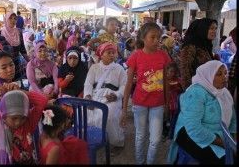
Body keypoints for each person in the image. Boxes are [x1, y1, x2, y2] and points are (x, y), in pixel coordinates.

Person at [120, 22, 171, 164]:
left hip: (158, 104)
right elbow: (129, 84)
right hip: (140, 103)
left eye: (158, 37)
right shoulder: (136, 56)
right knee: (140, 136)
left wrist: (167, 103)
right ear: (143, 38)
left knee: (155, 140)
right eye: (152, 37)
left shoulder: (163, 55)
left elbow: (166, 82)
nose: (156, 41)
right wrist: (124, 109)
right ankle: (140, 162)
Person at [167, 60, 236, 164]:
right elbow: (193, 127)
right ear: (208, 75)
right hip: (189, 132)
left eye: (225, 73)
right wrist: (223, 143)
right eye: (219, 74)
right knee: (220, 158)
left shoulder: (224, 93)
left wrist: (233, 138)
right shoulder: (196, 93)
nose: (224, 77)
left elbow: (233, 118)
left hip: (215, 131)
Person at [84, 42, 126, 150]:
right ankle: (94, 139)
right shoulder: (94, 67)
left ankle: (116, 142)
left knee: (109, 116)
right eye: (109, 53)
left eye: (113, 53)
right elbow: (88, 83)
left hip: (111, 96)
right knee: (88, 113)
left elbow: (124, 86)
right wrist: (88, 96)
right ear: (101, 54)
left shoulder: (119, 68)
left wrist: (117, 95)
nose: (112, 55)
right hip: (95, 94)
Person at [179, 18, 218, 90]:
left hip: (206, 88)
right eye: (211, 28)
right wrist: (189, 91)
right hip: (195, 90)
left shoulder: (205, 45)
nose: (214, 31)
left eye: (215, 28)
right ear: (202, 29)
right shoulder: (190, 46)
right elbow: (184, 70)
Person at [0, 11, 29, 80]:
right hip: (5, 67)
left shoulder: (18, 32)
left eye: (15, 18)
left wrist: (29, 61)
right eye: (10, 18)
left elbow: (22, 49)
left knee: (18, 85)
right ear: (6, 19)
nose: (13, 20)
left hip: (17, 65)